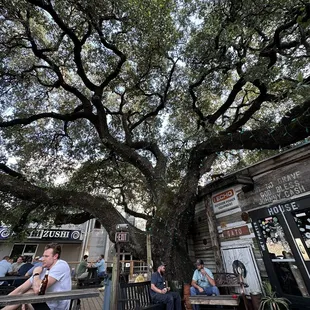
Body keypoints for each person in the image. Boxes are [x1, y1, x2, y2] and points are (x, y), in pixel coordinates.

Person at [2, 243, 72, 310]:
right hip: (44, 302)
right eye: (43, 256)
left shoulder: (61, 265)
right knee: (26, 292)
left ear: (55, 256)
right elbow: (21, 289)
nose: (43, 259)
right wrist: (4, 301)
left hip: (56, 307)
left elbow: (38, 289)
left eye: (46, 256)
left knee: (30, 293)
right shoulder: (43, 268)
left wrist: (36, 274)